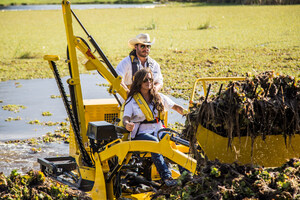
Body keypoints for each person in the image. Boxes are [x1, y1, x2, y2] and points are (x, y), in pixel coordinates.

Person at [122, 68, 187, 186]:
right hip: (141, 133)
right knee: (154, 142)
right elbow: (125, 118)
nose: (149, 82)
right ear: (139, 83)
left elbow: (176, 107)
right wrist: (127, 124)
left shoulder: (159, 97)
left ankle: (185, 174)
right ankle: (166, 177)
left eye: (151, 79)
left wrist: (189, 114)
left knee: (171, 139)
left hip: (158, 130)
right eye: (145, 80)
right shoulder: (132, 100)